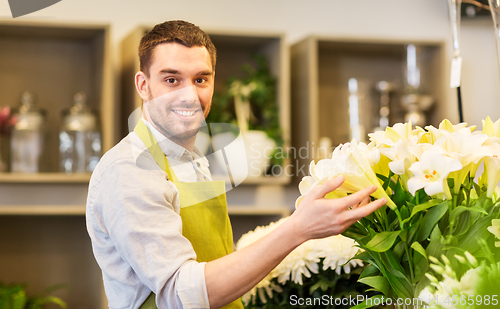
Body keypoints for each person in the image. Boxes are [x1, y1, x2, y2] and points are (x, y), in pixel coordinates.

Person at [86, 20, 387, 309]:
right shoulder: (130, 170)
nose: (189, 95)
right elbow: (181, 294)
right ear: (143, 85)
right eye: (171, 79)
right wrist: (298, 228)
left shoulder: (194, 158)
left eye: (200, 79)